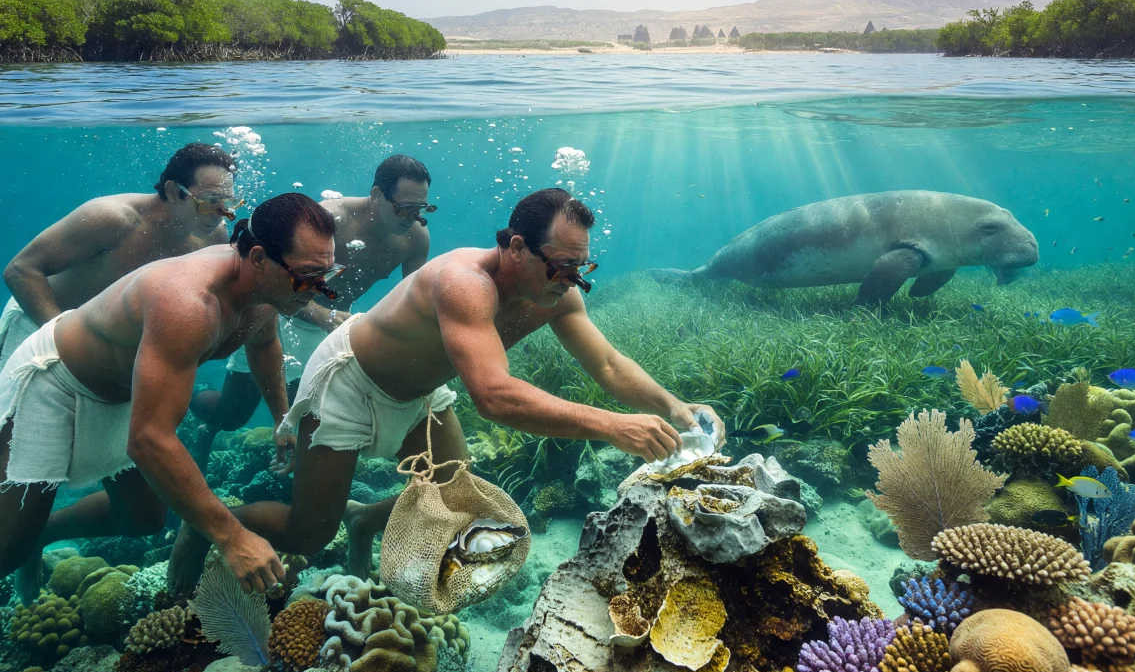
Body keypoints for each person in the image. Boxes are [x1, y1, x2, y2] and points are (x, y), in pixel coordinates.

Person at [169, 187, 724, 588]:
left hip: (418, 392)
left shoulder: (559, 293)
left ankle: (364, 520)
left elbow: (607, 364)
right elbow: (494, 395)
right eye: (560, 266)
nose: (572, 281)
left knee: (457, 498)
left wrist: (675, 407)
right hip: (351, 381)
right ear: (514, 247)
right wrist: (611, 426)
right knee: (309, 533)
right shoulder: (464, 283)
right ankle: (210, 525)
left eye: (582, 268)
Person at [0, 193, 340, 601]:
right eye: (306, 277)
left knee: (145, 518)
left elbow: (263, 344)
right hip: (56, 383)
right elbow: (150, 440)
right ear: (257, 258)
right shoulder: (189, 305)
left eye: (326, 277)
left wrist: (282, 419)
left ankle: (36, 532)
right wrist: (232, 536)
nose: (317, 292)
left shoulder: (269, 291)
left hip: (120, 389)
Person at [0, 143, 241, 494]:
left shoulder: (213, 237)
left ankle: (38, 534)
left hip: (111, 349)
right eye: (210, 199)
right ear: (171, 191)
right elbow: (22, 270)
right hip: (41, 323)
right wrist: (60, 336)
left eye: (229, 201)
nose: (222, 212)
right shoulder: (112, 218)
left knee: (134, 500)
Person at [187, 156, 436, 462]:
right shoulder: (329, 219)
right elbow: (276, 282)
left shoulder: (416, 239)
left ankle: (300, 481)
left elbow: (408, 301)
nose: (412, 217)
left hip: (330, 329)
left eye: (421, 209)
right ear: (376, 195)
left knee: (311, 417)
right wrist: (325, 316)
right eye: (404, 207)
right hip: (278, 315)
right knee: (231, 415)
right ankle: (188, 399)